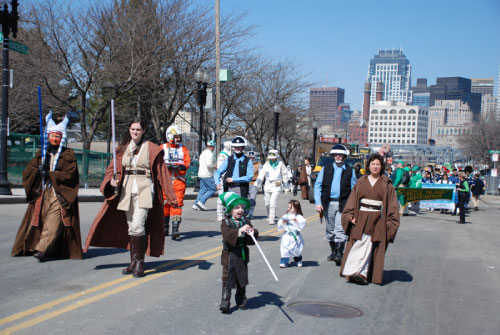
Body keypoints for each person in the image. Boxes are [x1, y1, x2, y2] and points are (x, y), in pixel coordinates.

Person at [84, 118, 178, 278]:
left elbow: (162, 172)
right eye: (133, 129)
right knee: (130, 227)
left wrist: (171, 197)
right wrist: (112, 180)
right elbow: (113, 169)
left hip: (145, 189)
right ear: (129, 130)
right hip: (126, 190)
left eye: (138, 130)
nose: (135, 132)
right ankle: (133, 261)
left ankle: (140, 262)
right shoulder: (122, 149)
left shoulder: (151, 149)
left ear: (143, 132)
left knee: (138, 226)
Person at [12, 112, 83, 262]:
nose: (54, 138)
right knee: (39, 219)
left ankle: (42, 249)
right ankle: (35, 246)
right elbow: (27, 172)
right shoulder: (42, 154)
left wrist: (51, 174)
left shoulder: (68, 155)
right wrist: (38, 171)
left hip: (59, 193)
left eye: (58, 136)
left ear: (62, 138)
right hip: (43, 191)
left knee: (54, 220)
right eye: (52, 136)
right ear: (48, 136)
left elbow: (70, 175)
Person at [340, 153, 400, 285]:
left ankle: (362, 272)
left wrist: (391, 223)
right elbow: (352, 201)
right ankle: (352, 270)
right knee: (359, 243)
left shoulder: (386, 183)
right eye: (373, 164)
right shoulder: (361, 181)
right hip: (361, 216)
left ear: (382, 166)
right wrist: (350, 215)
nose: (375, 166)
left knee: (369, 244)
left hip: (377, 218)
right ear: (368, 166)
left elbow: (392, 205)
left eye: (378, 164)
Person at [314, 144, 357, 265]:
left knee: (340, 228)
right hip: (329, 203)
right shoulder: (325, 169)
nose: (338, 156)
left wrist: (354, 206)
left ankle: (339, 252)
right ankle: (333, 251)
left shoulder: (350, 170)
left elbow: (354, 189)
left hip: (343, 203)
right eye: (336, 155)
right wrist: (318, 203)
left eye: (340, 155)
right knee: (330, 229)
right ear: (333, 156)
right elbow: (318, 185)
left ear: (344, 156)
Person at [219, 191, 259, 313]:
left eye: (242, 207)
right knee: (227, 277)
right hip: (230, 255)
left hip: (241, 255)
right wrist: (239, 231)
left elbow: (251, 238)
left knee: (241, 277)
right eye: (237, 207)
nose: (240, 210)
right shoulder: (225, 222)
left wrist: (252, 232)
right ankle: (225, 301)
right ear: (230, 209)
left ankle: (241, 298)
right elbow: (227, 236)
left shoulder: (245, 221)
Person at [161, 125, 190, 240]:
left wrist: (180, 167)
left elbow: (187, 163)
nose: (178, 139)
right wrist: (166, 166)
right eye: (176, 137)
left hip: (178, 181)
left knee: (176, 206)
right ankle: (164, 227)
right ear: (170, 137)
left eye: (179, 137)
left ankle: (175, 229)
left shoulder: (183, 149)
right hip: (165, 181)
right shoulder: (162, 148)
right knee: (165, 205)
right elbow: (156, 162)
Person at [255, 149, 289, 224]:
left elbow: (284, 175)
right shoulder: (266, 164)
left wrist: (286, 187)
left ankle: (271, 218)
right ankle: (269, 215)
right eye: (270, 158)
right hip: (267, 184)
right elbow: (261, 175)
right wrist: (257, 182)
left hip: (276, 184)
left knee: (273, 201)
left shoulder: (280, 164)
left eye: (273, 157)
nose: (271, 159)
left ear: (276, 157)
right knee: (267, 203)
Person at [278, 200, 306, 268]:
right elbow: (280, 225)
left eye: (290, 208)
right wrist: (284, 222)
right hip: (287, 236)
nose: (288, 209)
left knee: (296, 249)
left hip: (295, 236)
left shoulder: (299, 217)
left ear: (296, 209)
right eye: (288, 207)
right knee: (285, 249)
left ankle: (298, 260)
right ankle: (284, 262)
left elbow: (301, 225)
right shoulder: (285, 216)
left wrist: (296, 221)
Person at [193, 140, 217, 211]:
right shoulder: (210, 154)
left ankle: (196, 204)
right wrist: (215, 166)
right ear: (212, 147)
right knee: (212, 189)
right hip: (207, 174)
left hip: (201, 173)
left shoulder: (203, 153)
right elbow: (209, 165)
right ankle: (201, 202)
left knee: (202, 190)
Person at [216, 141, 232, 221]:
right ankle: (220, 214)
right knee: (221, 197)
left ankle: (227, 213)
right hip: (223, 179)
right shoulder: (222, 155)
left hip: (229, 179)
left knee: (228, 197)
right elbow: (220, 168)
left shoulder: (230, 155)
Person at [247, 151, 260, 219]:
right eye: (250, 157)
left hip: (253, 183)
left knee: (252, 198)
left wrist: (258, 182)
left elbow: (260, 175)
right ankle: (245, 212)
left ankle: (251, 213)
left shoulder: (258, 165)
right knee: (245, 199)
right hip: (245, 183)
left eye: (253, 157)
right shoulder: (245, 164)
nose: (251, 159)